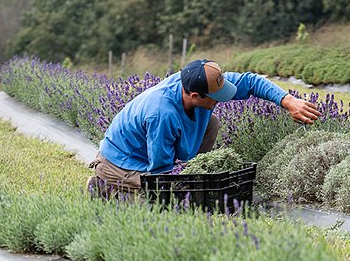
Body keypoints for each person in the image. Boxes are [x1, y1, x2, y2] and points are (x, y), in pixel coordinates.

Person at [87, 59, 321, 198]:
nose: (222, 99)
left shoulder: (201, 80)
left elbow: (250, 81)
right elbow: (160, 175)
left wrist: (288, 101)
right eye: (216, 97)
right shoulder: (162, 114)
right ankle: (103, 187)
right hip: (122, 162)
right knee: (162, 204)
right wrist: (181, 189)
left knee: (211, 122)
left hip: (154, 148)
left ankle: (186, 174)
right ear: (195, 95)